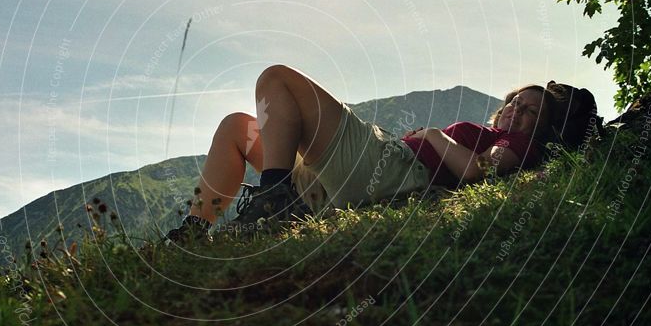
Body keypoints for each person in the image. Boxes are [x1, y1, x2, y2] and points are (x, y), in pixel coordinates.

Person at [165, 65, 555, 244]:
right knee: (238, 126)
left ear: (539, 125)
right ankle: (194, 234)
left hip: (394, 172)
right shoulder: (492, 130)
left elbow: (479, 171)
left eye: (530, 111)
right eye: (516, 102)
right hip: (361, 174)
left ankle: (274, 199)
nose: (517, 111)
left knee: (277, 79)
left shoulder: (516, 144)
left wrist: (434, 135)